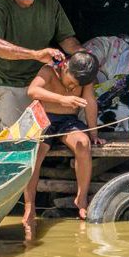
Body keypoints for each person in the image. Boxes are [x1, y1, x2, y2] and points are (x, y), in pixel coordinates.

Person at [0, 0, 83, 133]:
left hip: (43, 81)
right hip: (11, 82)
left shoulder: (50, 2)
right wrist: (35, 55)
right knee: (20, 135)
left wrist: (82, 55)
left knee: (55, 128)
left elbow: (66, 39)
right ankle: (3, 112)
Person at [26, 51, 101, 226]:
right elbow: (32, 90)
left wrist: (94, 133)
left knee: (83, 143)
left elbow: (90, 101)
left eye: (76, 85)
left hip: (68, 122)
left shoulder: (86, 80)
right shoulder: (49, 70)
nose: (71, 86)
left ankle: (81, 199)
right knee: (36, 153)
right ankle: (29, 206)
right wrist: (62, 99)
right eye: (71, 81)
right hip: (44, 120)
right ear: (65, 66)